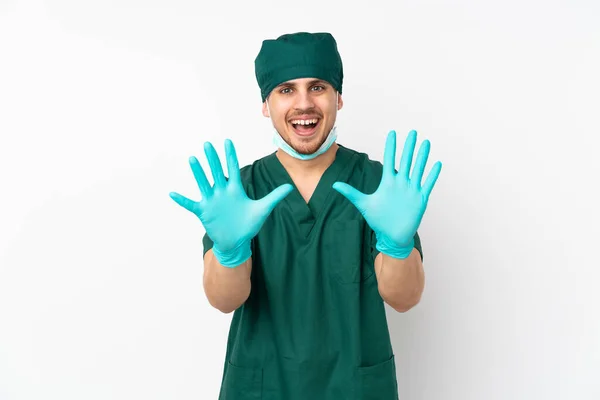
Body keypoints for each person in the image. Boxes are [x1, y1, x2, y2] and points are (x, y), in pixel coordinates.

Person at [170, 31, 442, 400]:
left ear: (338, 97)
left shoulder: (378, 186)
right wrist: (229, 253)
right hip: (262, 387)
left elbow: (404, 298)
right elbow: (224, 300)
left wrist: (397, 246)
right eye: (286, 90)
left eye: (318, 87)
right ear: (265, 104)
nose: (303, 104)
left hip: (354, 388)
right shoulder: (239, 192)